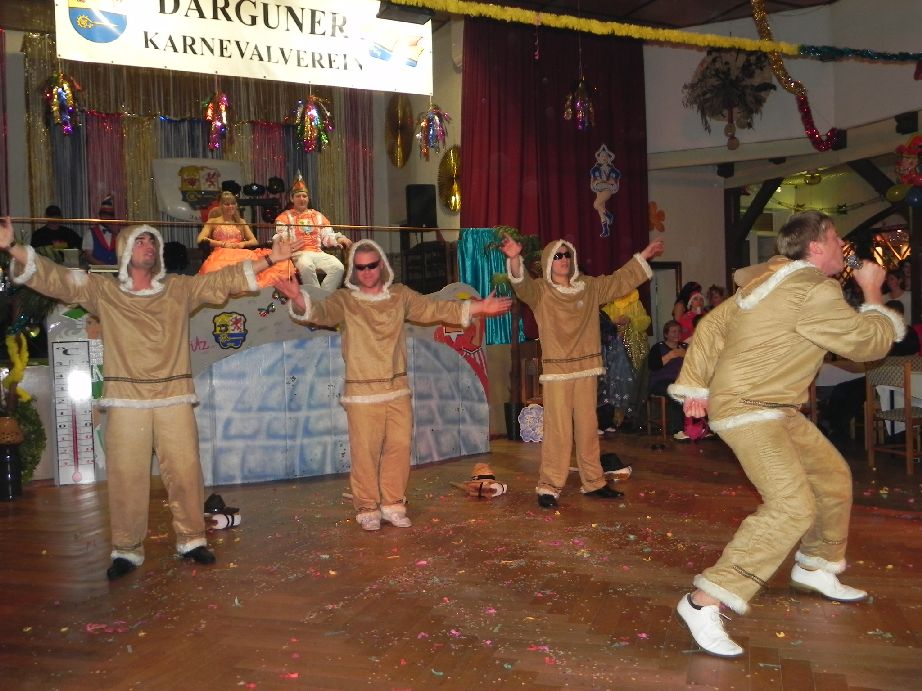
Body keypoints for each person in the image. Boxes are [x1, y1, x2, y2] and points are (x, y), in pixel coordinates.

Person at [0, 215, 299, 580]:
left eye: (153, 242)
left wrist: (270, 258)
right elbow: (57, 278)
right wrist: (11, 247)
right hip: (127, 399)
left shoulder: (178, 290)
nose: (149, 246)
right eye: (141, 241)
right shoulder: (104, 291)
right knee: (126, 477)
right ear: (125, 250)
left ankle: (192, 539)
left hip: (174, 396)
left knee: (186, 472)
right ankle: (126, 549)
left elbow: (222, 281)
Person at [667, 211, 904, 658]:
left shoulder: (771, 280)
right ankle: (704, 601)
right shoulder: (813, 288)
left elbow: (712, 326)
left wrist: (696, 385)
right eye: (836, 238)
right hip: (752, 410)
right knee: (792, 506)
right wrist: (874, 291)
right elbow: (866, 344)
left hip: (773, 408)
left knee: (831, 478)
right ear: (816, 247)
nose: (843, 246)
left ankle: (816, 566)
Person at [274, 239, 511, 531]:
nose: (367, 272)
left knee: (399, 447)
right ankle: (367, 507)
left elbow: (433, 308)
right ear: (354, 270)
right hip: (362, 393)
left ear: (382, 265)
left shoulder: (400, 296)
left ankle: (393, 504)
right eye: (360, 267)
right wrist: (298, 298)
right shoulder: (345, 300)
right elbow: (320, 312)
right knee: (365, 453)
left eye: (372, 265)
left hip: (396, 389)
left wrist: (479, 307)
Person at [500, 234, 664, 509]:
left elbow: (618, 281)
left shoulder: (588, 287)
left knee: (588, 429)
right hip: (558, 372)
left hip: (586, 369)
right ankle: (549, 486)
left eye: (567, 254)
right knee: (558, 431)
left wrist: (644, 256)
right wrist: (515, 258)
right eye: (558, 256)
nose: (564, 259)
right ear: (548, 262)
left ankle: (594, 482)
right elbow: (521, 284)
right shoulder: (541, 291)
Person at [819, 299, 920, 448]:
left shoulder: (903, 333)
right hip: (884, 378)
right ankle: (833, 426)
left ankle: (835, 429)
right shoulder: (891, 334)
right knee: (842, 389)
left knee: (852, 393)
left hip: (893, 382)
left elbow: (892, 355)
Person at [274, 173, 352, 293]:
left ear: (308, 198)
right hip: (299, 253)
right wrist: (285, 242)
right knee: (306, 266)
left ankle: (322, 296)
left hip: (317, 252)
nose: (301, 199)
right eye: (298, 196)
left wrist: (339, 239)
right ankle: (317, 297)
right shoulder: (284, 217)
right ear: (292, 199)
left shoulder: (318, 216)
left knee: (338, 267)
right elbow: (282, 237)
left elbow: (327, 235)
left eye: (304, 196)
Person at [198, 191, 293, 287]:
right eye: (227, 204)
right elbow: (200, 239)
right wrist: (222, 244)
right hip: (221, 253)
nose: (230, 206)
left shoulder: (241, 221)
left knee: (272, 264)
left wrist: (242, 244)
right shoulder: (213, 221)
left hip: (240, 252)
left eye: (233, 203)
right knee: (212, 269)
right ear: (220, 205)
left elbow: (254, 241)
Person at [597, 290, 650, 433]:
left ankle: (632, 419)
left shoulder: (636, 304)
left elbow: (645, 321)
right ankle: (612, 420)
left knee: (633, 384)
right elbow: (602, 328)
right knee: (611, 385)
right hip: (612, 354)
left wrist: (631, 320)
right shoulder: (606, 308)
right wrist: (614, 325)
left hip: (633, 351)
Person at [647, 320, 687, 437]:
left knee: (699, 391)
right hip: (660, 382)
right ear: (666, 334)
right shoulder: (657, 347)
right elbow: (653, 366)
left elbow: (695, 364)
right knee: (675, 391)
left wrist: (686, 355)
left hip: (681, 381)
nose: (677, 334)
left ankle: (698, 427)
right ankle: (677, 430)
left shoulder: (685, 347)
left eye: (679, 331)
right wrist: (670, 355)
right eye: (673, 331)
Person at [589, 144, 621, 238]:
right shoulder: (595, 169)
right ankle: (605, 229)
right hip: (598, 188)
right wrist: (596, 184)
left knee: (596, 204)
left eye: (605, 156)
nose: (604, 158)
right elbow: (593, 181)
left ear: (608, 158)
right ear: (599, 158)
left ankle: (609, 215)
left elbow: (614, 182)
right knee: (600, 208)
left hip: (607, 188)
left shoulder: (613, 170)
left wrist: (605, 182)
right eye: (602, 156)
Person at [84, 195, 119, 265]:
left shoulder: (115, 234)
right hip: (97, 270)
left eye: (110, 215)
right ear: (100, 216)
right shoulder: (90, 233)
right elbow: (88, 256)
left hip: (114, 270)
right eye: (104, 215)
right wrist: (103, 266)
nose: (107, 218)